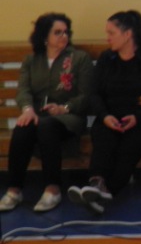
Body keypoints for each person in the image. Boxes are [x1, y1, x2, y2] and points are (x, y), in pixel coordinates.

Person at [67, 10, 141, 215]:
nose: (107, 38)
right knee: (103, 138)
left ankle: (104, 191)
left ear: (128, 34)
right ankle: (96, 184)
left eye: (111, 33)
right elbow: (94, 93)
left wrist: (138, 117)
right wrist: (105, 116)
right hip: (111, 117)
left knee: (129, 147)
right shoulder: (106, 59)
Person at [0, 13, 94, 213]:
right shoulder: (32, 60)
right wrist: (27, 110)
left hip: (69, 117)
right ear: (44, 36)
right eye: (57, 32)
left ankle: (53, 188)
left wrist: (63, 108)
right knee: (22, 127)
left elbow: (86, 95)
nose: (63, 36)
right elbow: (23, 90)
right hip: (39, 116)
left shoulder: (79, 58)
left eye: (66, 32)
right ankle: (14, 189)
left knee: (47, 125)